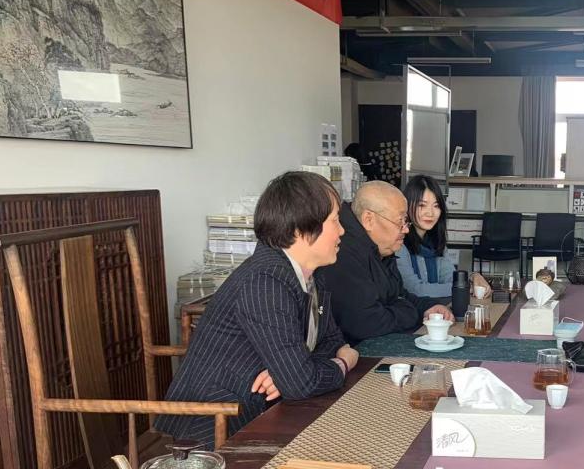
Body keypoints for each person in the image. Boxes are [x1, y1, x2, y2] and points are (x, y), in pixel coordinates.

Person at [156, 171, 359, 447]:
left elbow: (330, 341)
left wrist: (290, 373)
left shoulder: (310, 274)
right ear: (300, 229)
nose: (342, 231)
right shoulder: (265, 280)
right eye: (335, 220)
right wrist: (342, 363)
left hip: (262, 411)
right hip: (216, 427)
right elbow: (303, 382)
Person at [320, 180, 453, 344]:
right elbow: (366, 323)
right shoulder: (343, 252)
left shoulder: (382, 247)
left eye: (406, 222)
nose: (406, 229)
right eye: (400, 221)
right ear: (369, 220)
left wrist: (427, 307)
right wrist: (412, 312)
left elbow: (399, 295)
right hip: (352, 352)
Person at [395, 174, 491, 299]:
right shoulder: (398, 243)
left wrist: (473, 277)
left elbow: (450, 278)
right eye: (422, 205)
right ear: (407, 206)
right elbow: (414, 289)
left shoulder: (436, 242)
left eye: (436, 206)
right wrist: (462, 287)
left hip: (436, 308)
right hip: (409, 309)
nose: (430, 213)